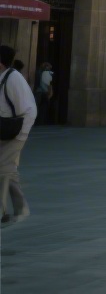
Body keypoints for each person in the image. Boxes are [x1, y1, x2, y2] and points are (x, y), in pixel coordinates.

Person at [0, 45, 35, 224]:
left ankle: (15, 209)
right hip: (4, 131)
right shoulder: (4, 77)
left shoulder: (14, 79)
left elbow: (29, 109)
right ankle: (13, 209)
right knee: (7, 169)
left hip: (14, 131)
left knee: (4, 169)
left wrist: (21, 134)